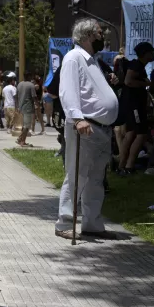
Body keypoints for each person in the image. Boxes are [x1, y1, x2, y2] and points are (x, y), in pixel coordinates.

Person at [55, 19, 118, 240]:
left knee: (96, 179)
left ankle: (92, 223)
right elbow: (68, 91)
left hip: (101, 128)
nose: (103, 38)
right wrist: (77, 118)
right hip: (85, 126)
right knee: (77, 175)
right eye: (100, 34)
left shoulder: (92, 60)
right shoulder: (74, 58)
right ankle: (64, 222)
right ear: (88, 36)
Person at [117, 42, 154, 175]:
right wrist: (146, 83)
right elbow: (128, 81)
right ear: (145, 54)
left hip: (135, 105)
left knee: (131, 133)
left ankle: (122, 164)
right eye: (151, 52)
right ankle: (128, 165)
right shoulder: (135, 65)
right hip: (133, 106)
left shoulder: (140, 66)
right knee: (141, 134)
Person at [15, 74, 36, 147]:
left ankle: (23, 141)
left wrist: (17, 106)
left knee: (24, 126)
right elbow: (34, 97)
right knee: (27, 126)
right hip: (28, 108)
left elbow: (16, 96)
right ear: (29, 77)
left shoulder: (19, 84)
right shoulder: (31, 85)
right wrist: (37, 105)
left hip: (21, 107)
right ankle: (20, 139)